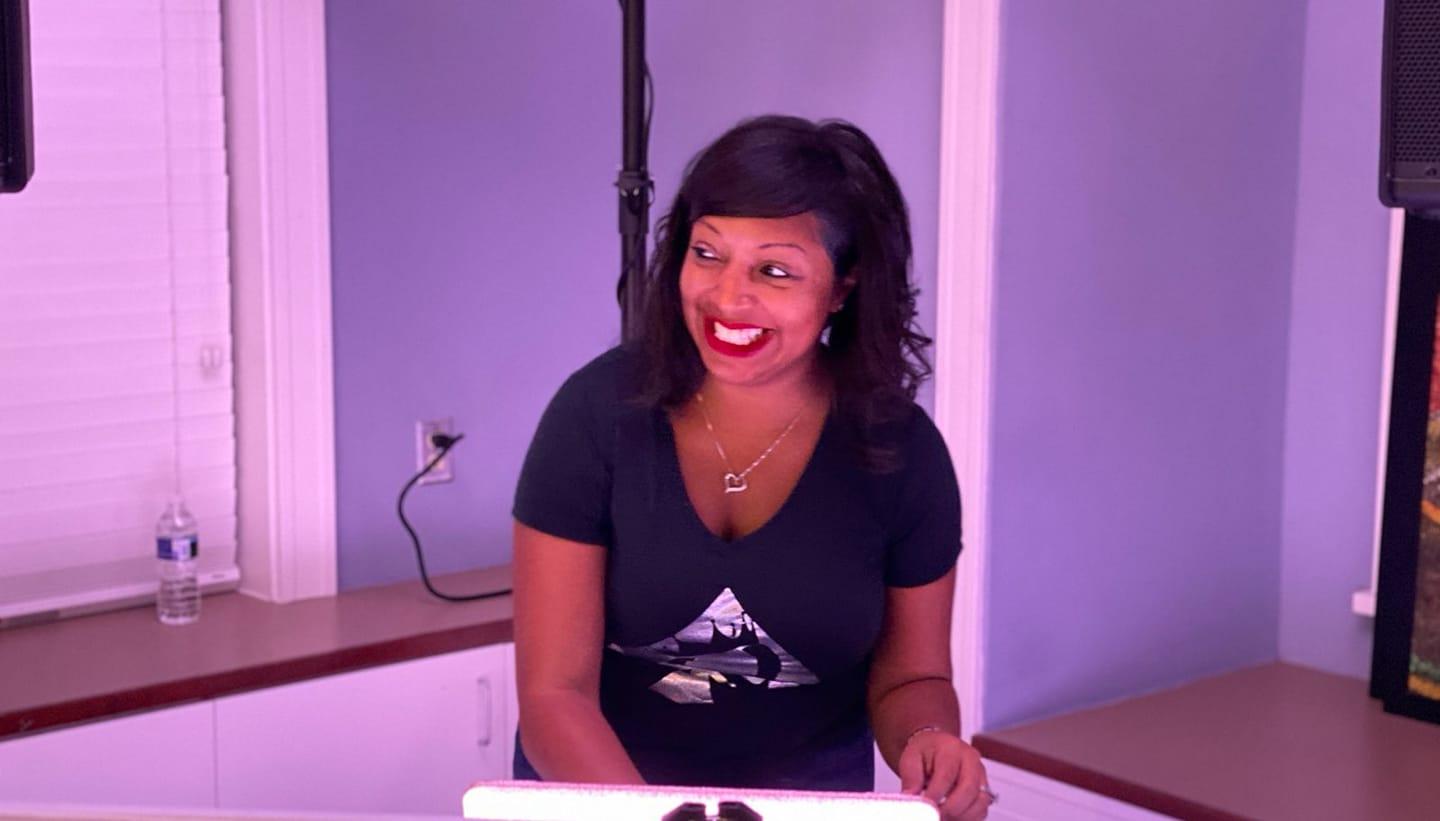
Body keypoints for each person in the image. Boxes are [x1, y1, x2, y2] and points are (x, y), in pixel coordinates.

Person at [511, 114, 993, 820]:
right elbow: (555, 694)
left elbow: (912, 677)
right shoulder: (594, 415)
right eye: (707, 253)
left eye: (773, 270)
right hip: (603, 792)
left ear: (842, 287)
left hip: (804, 797)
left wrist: (930, 742)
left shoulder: (904, 454)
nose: (727, 297)